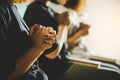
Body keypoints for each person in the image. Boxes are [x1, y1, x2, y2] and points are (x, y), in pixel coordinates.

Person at [24, 0, 120, 80]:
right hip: (57, 71)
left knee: (117, 67)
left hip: (65, 61)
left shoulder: (47, 9)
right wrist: (63, 25)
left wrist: (64, 25)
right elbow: (52, 53)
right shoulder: (36, 10)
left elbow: (60, 43)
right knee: (115, 74)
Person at [0, 0, 56, 80]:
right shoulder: (2, 9)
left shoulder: (9, 6)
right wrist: (37, 47)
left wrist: (33, 39)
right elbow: (5, 74)